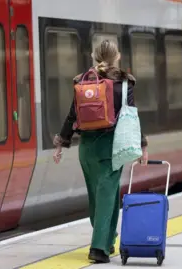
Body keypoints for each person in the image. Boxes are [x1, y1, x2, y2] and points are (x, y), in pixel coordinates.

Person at [52, 40, 148, 263]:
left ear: (94, 56)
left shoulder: (83, 81)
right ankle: (98, 248)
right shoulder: (124, 84)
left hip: (86, 149)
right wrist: (142, 147)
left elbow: (71, 116)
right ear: (118, 57)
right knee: (106, 197)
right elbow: (132, 117)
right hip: (110, 148)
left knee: (101, 196)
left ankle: (108, 238)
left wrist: (60, 143)